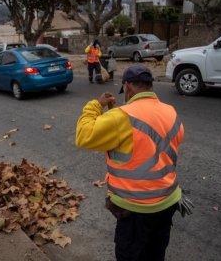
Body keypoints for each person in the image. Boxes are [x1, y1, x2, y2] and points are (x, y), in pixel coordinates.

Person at [75, 65, 185, 261]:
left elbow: (84, 135)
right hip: (168, 200)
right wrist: (116, 118)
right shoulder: (170, 111)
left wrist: (96, 106)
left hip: (136, 209)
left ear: (127, 87)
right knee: (155, 254)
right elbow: (146, 142)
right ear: (150, 86)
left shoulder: (120, 117)